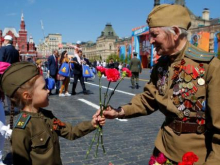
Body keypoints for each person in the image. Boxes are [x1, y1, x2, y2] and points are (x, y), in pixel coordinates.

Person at [103, 4, 220, 165]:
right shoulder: (161, 66)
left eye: (154, 35)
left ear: (176, 33)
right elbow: (148, 99)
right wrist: (119, 112)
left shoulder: (210, 67)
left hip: (195, 156)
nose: (150, 41)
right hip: (163, 150)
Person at [0, 61, 105, 165]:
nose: (48, 91)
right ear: (27, 96)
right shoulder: (21, 130)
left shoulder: (47, 116)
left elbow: (70, 132)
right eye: (44, 88)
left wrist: (92, 124)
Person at [0, 35, 20, 114]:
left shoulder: (3, 49)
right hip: (13, 73)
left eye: (4, 40)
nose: (3, 41)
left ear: (7, 41)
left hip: (3, 73)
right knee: (12, 91)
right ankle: (13, 108)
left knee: (2, 91)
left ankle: (5, 108)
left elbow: (0, 61)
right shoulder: (15, 51)